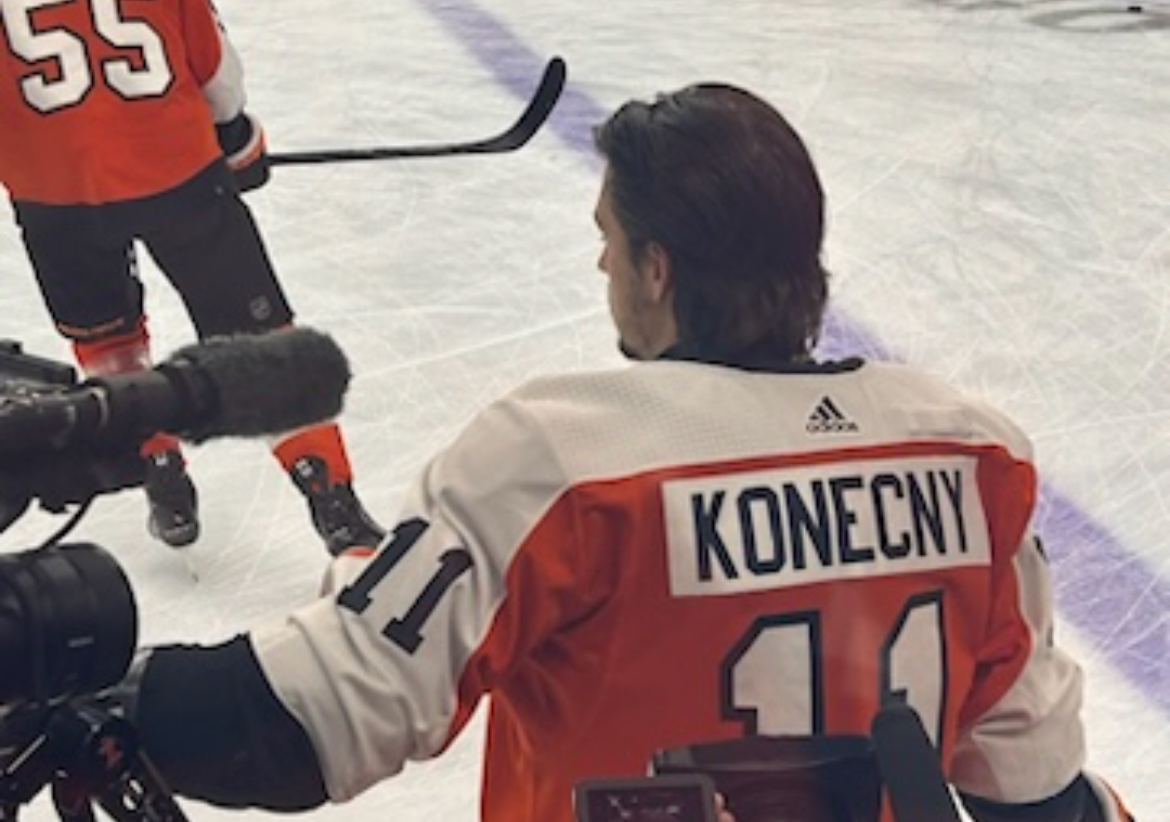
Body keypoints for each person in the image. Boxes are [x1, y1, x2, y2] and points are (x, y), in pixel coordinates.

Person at [101, 83, 1133, 822]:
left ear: (657, 266)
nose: (598, 259)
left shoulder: (561, 462)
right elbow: (1033, 790)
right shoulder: (969, 459)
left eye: (608, 237)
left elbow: (305, 727)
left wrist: (102, 693)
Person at [0, 0, 384, 554]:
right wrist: (236, 138)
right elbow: (216, 74)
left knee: (108, 340)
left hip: (56, 203)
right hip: (179, 181)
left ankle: (159, 466)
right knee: (259, 339)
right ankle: (334, 502)